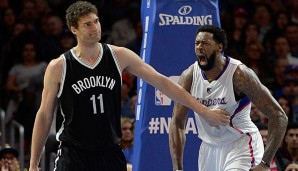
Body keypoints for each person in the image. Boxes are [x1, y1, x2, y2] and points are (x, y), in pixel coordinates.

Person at [29, 2, 230, 171]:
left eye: (96, 21)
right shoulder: (59, 66)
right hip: (74, 154)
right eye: (87, 24)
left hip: (110, 151)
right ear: (74, 29)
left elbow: (162, 82)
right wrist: (33, 164)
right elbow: (45, 115)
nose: (95, 28)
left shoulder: (119, 55)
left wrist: (203, 110)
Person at [169, 25, 288, 171]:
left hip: (241, 144)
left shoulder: (240, 75)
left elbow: (279, 116)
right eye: (197, 43)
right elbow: (177, 122)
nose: (199, 47)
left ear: (220, 47)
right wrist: (177, 168)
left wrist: (265, 163)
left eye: (205, 43)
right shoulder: (189, 76)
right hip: (209, 149)